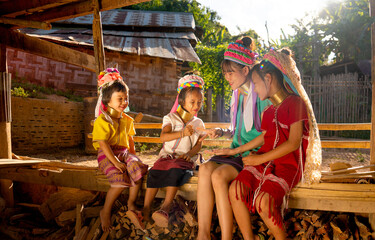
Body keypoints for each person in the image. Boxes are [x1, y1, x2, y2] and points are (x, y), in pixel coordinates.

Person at [227, 48, 322, 240]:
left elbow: (294, 143)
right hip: (264, 163)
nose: (254, 89)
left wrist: (258, 158)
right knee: (235, 189)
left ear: (268, 79)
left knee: (264, 202)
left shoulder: (296, 104)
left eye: (255, 83)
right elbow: (264, 138)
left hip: (288, 165)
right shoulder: (269, 111)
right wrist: (239, 151)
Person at [196, 36, 270, 240]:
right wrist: (221, 131)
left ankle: (226, 237)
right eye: (225, 73)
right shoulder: (237, 95)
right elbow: (237, 131)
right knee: (204, 169)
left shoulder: (262, 96)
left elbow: (265, 136)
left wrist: (234, 151)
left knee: (218, 176)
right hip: (236, 152)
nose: (227, 77)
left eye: (231, 72)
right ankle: (203, 234)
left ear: (246, 70)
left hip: (252, 154)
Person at [138, 74, 206, 228]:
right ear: (182, 101)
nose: (196, 106)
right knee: (154, 171)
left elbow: (199, 145)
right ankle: (146, 209)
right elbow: (163, 137)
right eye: (192, 102)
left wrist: (189, 155)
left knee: (175, 170)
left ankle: (166, 207)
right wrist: (182, 133)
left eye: (200, 102)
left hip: (184, 159)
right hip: (166, 157)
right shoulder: (170, 118)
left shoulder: (198, 122)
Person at [92, 68, 148, 232]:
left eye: (126, 98)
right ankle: (106, 210)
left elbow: (130, 141)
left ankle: (131, 203)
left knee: (137, 170)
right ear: (108, 101)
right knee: (119, 181)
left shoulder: (127, 120)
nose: (124, 102)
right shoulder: (102, 121)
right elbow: (103, 144)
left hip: (124, 153)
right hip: (107, 154)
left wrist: (134, 158)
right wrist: (115, 162)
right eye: (120, 99)